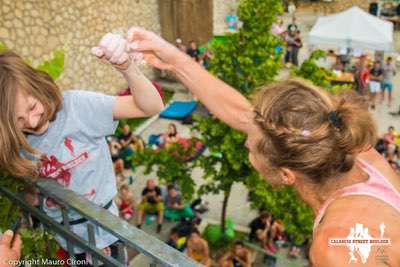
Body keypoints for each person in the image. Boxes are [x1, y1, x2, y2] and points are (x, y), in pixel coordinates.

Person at [125, 27, 400, 266]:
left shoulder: (338, 247)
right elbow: (244, 115)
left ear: (286, 174)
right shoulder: (351, 150)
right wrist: (172, 58)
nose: (246, 139)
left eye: (250, 149)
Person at [0, 31, 164, 265]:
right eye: (19, 120)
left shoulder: (78, 107)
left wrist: (126, 67)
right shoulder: (16, 139)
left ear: (36, 85)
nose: (33, 122)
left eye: (32, 106)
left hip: (104, 235)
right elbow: (32, 178)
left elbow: (152, 106)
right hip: (62, 235)